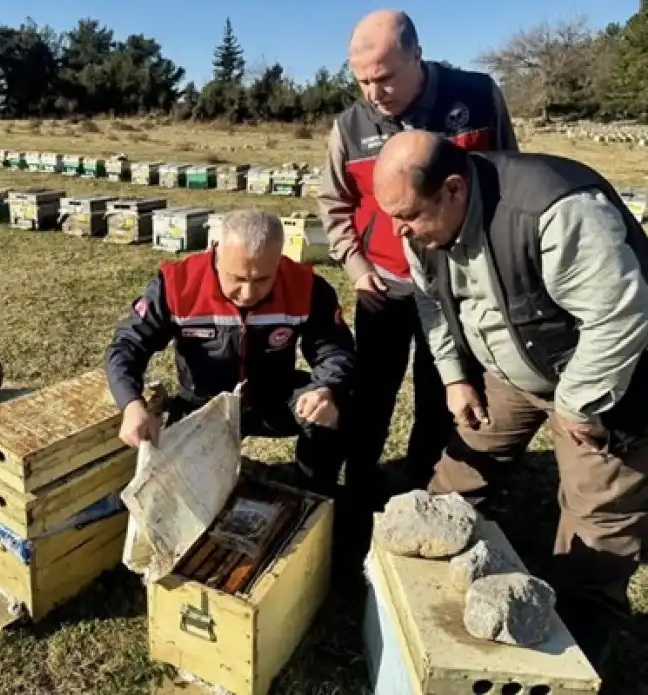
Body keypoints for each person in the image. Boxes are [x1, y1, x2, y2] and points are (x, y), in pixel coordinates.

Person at [372, 128, 648, 671]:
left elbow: (619, 316)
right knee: (453, 482)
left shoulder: (556, 210)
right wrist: (454, 376)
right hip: (516, 370)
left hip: (611, 383)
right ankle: (419, 598)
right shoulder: (421, 223)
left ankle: (574, 652)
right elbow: (431, 303)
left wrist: (576, 404)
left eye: (408, 216)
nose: (398, 231)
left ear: (453, 190)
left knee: (597, 527)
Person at [317, 9, 520, 495]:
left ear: (417, 55)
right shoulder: (349, 127)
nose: (373, 92)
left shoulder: (476, 97)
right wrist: (357, 265)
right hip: (384, 284)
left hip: (460, 286)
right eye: (362, 80)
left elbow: (510, 181)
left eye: (384, 78)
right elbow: (333, 203)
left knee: (442, 388)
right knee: (372, 390)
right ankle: (360, 477)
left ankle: (425, 479)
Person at [104, 208, 358, 497]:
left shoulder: (306, 286)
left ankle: (311, 498)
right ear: (216, 253)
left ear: (280, 260)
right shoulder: (176, 285)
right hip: (203, 404)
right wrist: (131, 404)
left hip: (272, 397)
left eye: (262, 279)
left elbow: (336, 351)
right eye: (236, 278)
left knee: (337, 408)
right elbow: (126, 347)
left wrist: (326, 388)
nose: (248, 293)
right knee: (184, 492)